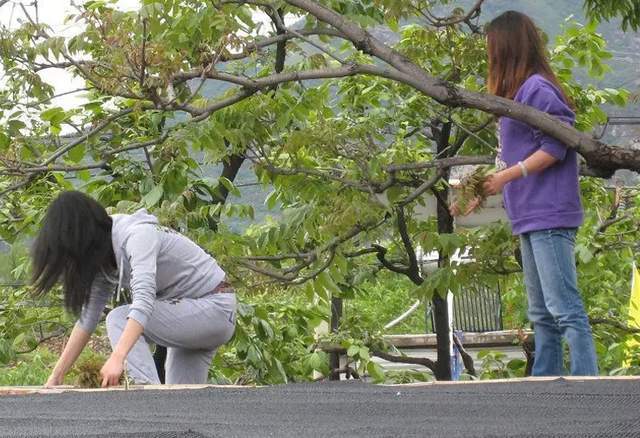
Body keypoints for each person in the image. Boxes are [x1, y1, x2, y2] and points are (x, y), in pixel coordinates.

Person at [452, 11, 598, 376]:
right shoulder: (516, 95)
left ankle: (588, 386)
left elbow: (558, 144)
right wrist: (482, 190)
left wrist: (507, 177)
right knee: (542, 314)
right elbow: (510, 159)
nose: (489, 56)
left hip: (549, 212)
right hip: (529, 216)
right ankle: (544, 383)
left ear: (507, 47)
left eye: (492, 48)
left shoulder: (537, 89)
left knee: (565, 309)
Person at [32, 191, 236, 387]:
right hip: (192, 315)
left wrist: (117, 358)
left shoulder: (137, 236)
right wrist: (56, 376)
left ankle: (144, 394)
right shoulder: (106, 258)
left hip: (213, 306)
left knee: (118, 318)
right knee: (180, 403)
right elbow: (87, 319)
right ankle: (159, 411)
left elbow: (144, 300)